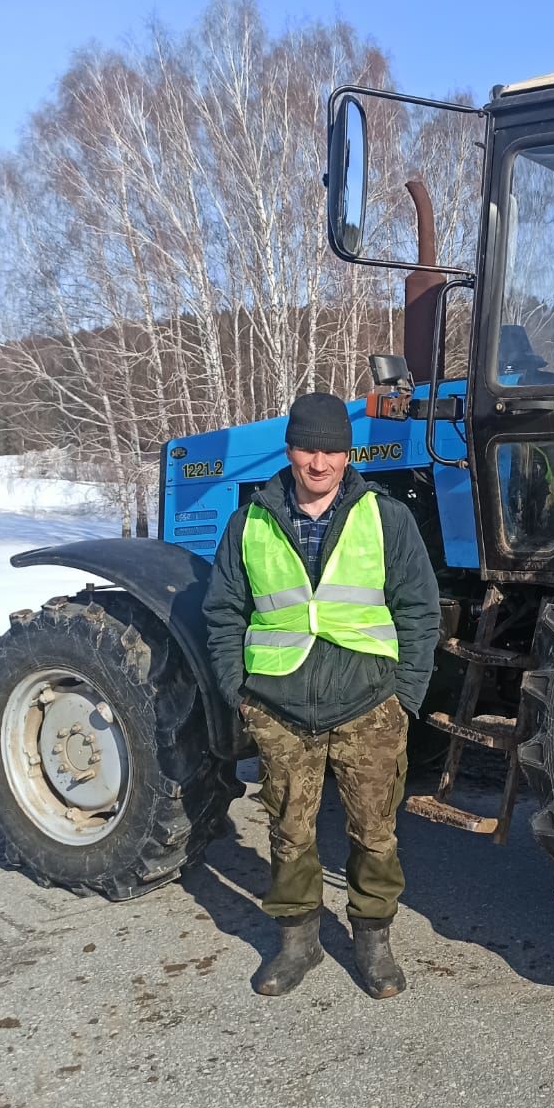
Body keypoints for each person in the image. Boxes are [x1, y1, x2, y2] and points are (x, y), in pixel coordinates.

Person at [203, 391, 441, 999]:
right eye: (309, 447)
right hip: (280, 706)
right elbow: (224, 611)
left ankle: (373, 939)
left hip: (368, 705)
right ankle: (297, 941)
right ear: (290, 449)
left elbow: (419, 609)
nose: (319, 462)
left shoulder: (385, 518)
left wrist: (405, 695)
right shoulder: (249, 521)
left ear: (347, 452)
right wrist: (240, 690)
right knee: (289, 830)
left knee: (375, 830)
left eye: (332, 449)